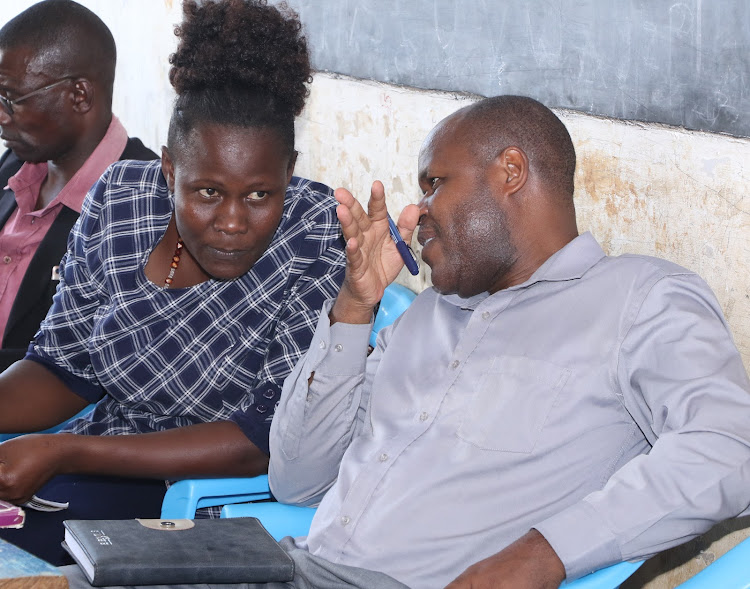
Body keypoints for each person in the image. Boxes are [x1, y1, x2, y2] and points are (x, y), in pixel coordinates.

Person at [64, 95, 750, 589]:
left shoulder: (642, 298)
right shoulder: (424, 317)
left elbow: (728, 448)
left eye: (436, 183)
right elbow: (296, 475)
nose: (416, 213)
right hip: (290, 564)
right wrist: (354, 307)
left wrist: (543, 554)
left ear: (511, 172)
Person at [0, 0, 345, 567]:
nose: (233, 222)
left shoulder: (314, 233)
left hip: (200, 502)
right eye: (207, 191)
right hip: (88, 464)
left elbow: (266, 438)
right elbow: (65, 368)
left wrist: (65, 451)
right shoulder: (121, 201)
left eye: (260, 194)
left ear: (289, 172)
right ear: (168, 170)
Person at [0, 0, 158, 371]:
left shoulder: (143, 202)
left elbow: (88, 362)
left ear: (79, 96)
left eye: (10, 98)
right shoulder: (17, 163)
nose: (1, 116)